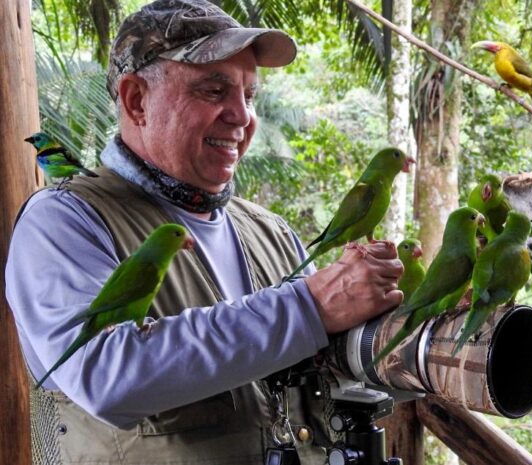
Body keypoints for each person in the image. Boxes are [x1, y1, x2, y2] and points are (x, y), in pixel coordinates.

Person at [5, 0, 404, 463]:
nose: (242, 116)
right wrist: (310, 306)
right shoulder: (65, 220)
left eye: (249, 96)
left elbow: (331, 370)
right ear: (137, 101)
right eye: (214, 91)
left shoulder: (271, 233)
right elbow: (104, 375)